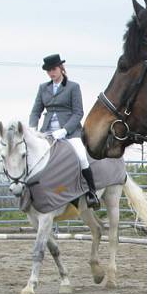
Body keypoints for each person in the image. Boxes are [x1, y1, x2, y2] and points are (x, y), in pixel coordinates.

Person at [29, 53, 99, 209]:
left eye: (53, 69)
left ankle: (92, 193)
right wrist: (32, 128)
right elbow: (35, 111)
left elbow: (78, 112)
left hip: (69, 131)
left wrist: (65, 130)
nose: (51, 73)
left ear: (60, 68)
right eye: (48, 71)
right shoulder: (43, 88)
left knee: (81, 157)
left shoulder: (73, 87)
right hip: (47, 131)